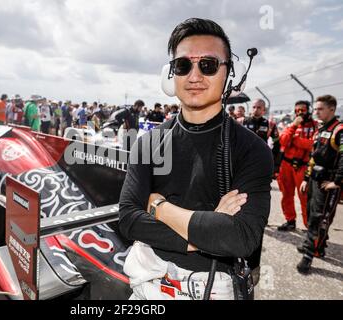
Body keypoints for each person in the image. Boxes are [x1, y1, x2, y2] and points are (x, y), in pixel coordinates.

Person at [119, 18, 272, 300]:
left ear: (229, 74)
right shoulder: (149, 142)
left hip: (213, 290)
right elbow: (128, 219)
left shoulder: (253, 150)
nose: (194, 75)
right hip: (145, 285)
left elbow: (240, 238)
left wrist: (159, 207)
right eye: (183, 65)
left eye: (208, 65)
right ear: (171, 74)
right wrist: (209, 229)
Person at [297, 95, 343, 273]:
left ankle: (309, 254)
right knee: (311, 214)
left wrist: (337, 182)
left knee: (319, 218)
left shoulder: (339, 130)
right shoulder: (320, 128)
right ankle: (319, 247)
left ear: (332, 109)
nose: (316, 112)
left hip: (327, 182)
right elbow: (313, 156)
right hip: (315, 179)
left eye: (320, 109)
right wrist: (306, 179)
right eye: (315, 109)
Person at [277, 101, 318, 231]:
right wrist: (294, 126)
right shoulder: (291, 125)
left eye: (302, 110)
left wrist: (295, 141)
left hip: (303, 166)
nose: (299, 113)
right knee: (286, 195)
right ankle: (290, 221)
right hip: (287, 165)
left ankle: (309, 225)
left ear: (309, 110)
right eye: (297, 110)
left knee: (305, 197)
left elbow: (314, 145)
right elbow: (283, 140)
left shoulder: (316, 126)